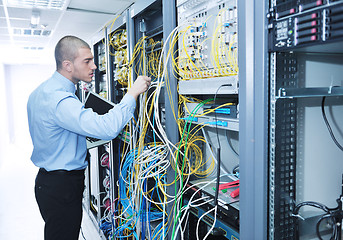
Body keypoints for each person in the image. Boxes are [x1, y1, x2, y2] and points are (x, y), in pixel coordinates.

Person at [27, 35, 151, 240]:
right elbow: (108, 127)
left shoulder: (41, 92)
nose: (94, 66)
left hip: (49, 183)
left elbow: (56, 133)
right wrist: (133, 93)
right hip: (62, 187)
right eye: (87, 61)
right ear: (67, 65)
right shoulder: (61, 100)